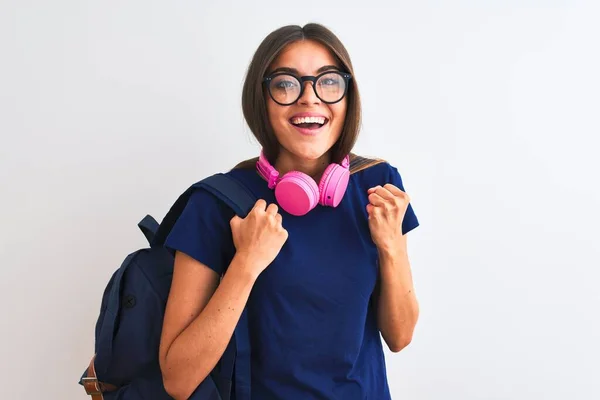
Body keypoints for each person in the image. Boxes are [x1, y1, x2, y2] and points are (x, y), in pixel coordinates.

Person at [158, 23, 420, 400]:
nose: (309, 99)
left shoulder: (378, 186)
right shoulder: (217, 202)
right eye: (285, 84)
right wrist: (246, 263)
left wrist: (391, 245)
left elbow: (400, 336)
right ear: (261, 99)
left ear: (349, 97)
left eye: (329, 82)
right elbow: (178, 381)